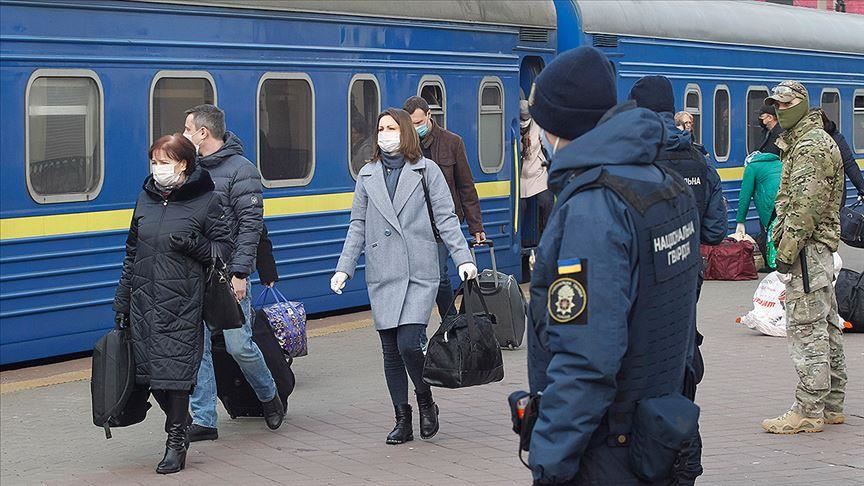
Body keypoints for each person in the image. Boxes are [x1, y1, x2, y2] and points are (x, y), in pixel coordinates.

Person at [526, 47, 701, 485]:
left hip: (607, 448)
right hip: (660, 433)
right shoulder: (666, 186)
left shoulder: (594, 210)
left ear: (557, 125)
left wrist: (549, 459)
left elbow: (586, 358)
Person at [330, 108, 478, 445]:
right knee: (390, 350)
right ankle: (402, 418)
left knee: (409, 343)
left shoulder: (427, 171)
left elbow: (446, 219)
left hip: (418, 271)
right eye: (381, 128)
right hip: (383, 270)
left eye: (391, 128)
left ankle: (425, 400)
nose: (384, 134)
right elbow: (358, 225)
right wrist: (344, 267)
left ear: (406, 132)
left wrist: (463, 258)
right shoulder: (367, 174)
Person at [113, 134, 232, 474]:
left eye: (164, 162)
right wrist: (122, 299)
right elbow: (132, 252)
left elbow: (224, 249)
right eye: (154, 162)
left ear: (183, 164)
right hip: (143, 300)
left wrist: (196, 246)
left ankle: (176, 442)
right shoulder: (146, 199)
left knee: (175, 376)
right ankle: (182, 422)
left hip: (182, 303)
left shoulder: (207, 200)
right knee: (149, 376)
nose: (157, 168)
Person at [628, 74, 725, 485]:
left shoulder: (633, 160)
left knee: (641, 370)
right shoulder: (699, 161)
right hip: (688, 278)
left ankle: (653, 458)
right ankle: (686, 458)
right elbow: (716, 231)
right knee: (681, 361)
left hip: (642, 281)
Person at [183, 105, 284, 441]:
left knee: (239, 345)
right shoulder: (190, 169)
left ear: (203, 133)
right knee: (198, 348)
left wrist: (241, 273)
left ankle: (269, 395)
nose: (184, 135)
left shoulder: (242, 170)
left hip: (228, 274)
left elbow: (251, 227)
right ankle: (204, 419)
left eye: (188, 129)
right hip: (196, 273)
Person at [762, 81, 847, 435]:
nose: (780, 110)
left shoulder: (810, 146)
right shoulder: (807, 140)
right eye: (776, 105)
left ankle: (809, 409)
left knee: (806, 329)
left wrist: (784, 255)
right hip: (817, 251)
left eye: (787, 104)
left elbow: (803, 209)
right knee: (826, 325)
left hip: (806, 251)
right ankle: (832, 404)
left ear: (802, 104)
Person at [402, 96, 484, 318]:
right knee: (415, 277)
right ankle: (421, 327)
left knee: (438, 274)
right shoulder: (403, 145)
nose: (415, 128)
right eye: (411, 124)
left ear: (429, 115)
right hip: (413, 222)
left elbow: (466, 186)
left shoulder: (452, 142)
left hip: (442, 221)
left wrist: (476, 226)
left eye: (419, 123)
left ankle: (450, 321)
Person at [734, 150, 782, 268]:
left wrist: (740, 221)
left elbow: (745, 196)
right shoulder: (779, 162)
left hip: (771, 205)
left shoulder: (751, 167)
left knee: (771, 237)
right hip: (788, 202)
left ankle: (773, 266)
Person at [519, 100, 554, 239]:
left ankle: (546, 238)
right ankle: (518, 241)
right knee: (520, 208)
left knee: (546, 201)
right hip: (519, 176)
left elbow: (548, 145)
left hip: (538, 172)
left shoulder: (538, 125)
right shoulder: (512, 125)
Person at [820, 111, 864, 205]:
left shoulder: (835, 138)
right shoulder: (836, 137)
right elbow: (850, 164)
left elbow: (849, 164)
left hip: (832, 197)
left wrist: (862, 189)